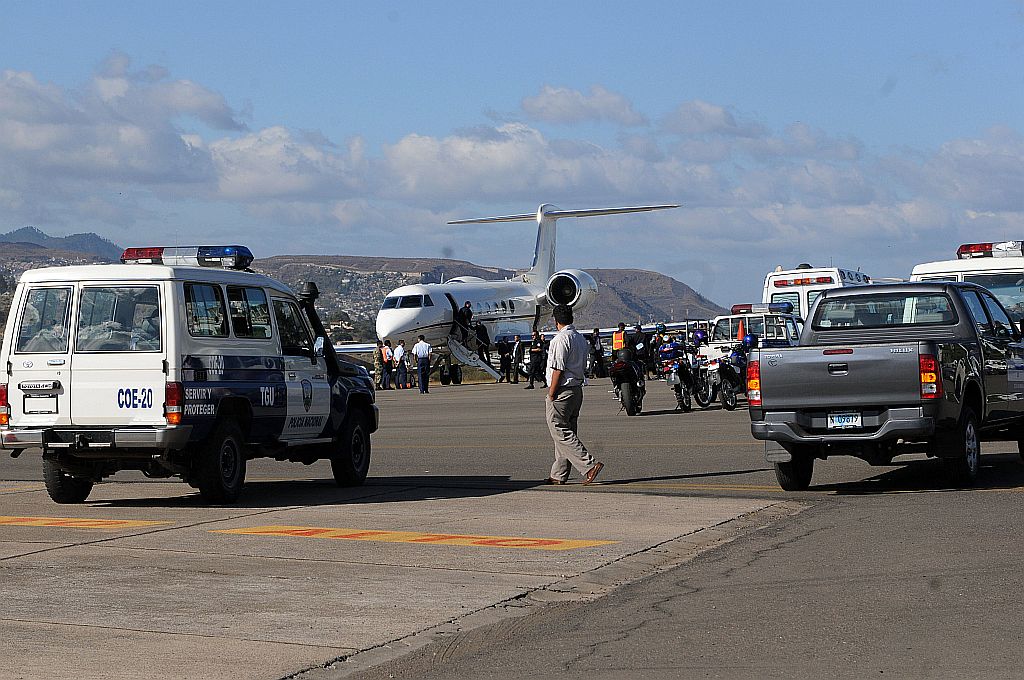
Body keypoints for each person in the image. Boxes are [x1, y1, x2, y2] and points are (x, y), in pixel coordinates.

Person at [543, 305, 603, 485]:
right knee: (566, 432)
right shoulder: (580, 338)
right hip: (576, 389)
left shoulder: (560, 340)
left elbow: (558, 369)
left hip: (563, 390)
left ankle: (589, 465)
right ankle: (559, 474)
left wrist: (551, 393)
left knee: (559, 431)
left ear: (556, 320)